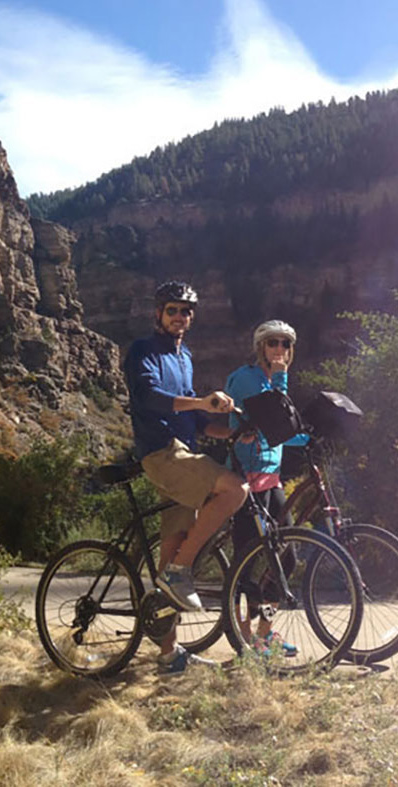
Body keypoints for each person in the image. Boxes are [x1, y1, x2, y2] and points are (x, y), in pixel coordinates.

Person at [123, 280, 241, 671]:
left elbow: (194, 417)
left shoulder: (184, 356)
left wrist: (233, 430)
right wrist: (201, 401)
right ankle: (179, 573)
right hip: (161, 453)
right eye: (173, 310)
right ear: (159, 313)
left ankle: (168, 653)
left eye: (186, 311)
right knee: (234, 489)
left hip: (184, 452)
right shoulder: (143, 350)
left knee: (170, 548)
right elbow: (149, 397)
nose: (180, 317)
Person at [223, 319, 311, 658]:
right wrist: (280, 378)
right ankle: (244, 636)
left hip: (271, 479)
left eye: (285, 345)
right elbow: (272, 419)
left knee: (285, 559)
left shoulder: (274, 380)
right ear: (261, 346)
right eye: (273, 343)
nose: (279, 350)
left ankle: (265, 632)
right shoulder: (246, 378)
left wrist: (312, 437)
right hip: (245, 477)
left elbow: (283, 429)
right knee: (247, 558)